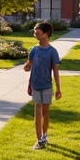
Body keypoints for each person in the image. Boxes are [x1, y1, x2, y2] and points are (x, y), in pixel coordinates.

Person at [24, 21, 61, 150]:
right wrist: (27, 66)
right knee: (37, 113)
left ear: (46, 34)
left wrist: (58, 89)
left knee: (45, 113)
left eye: (37, 31)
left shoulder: (52, 52)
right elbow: (27, 67)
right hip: (35, 85)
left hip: (46, 86)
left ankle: (44, 135)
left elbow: (55, 72)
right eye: (34, 31)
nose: (35, 33)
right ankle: (39, 140)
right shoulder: (34, 50)